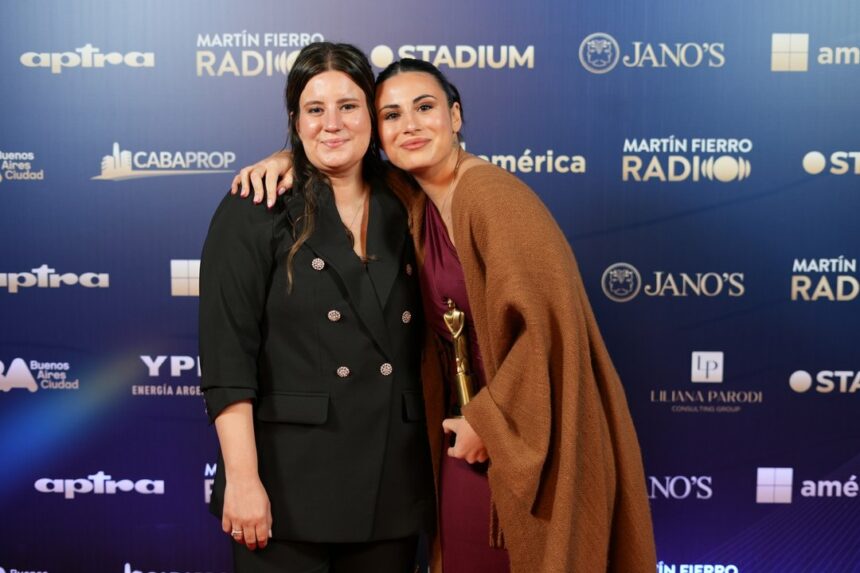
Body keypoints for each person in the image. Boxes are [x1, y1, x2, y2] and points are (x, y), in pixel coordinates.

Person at [231, 57, 657, 573]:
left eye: (425, 107)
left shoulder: (491, 195)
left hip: (515, 439)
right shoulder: (414, 198)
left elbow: (546, 334)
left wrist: (488, 421)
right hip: (465, 440)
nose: (409, 125)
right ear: (376, 133)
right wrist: (290, 157)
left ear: (455, 116)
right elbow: (335, 153)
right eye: (391, 115)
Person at [199, 43, 434, 573]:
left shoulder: (412, 202)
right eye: (315, 109)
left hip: (391, 484)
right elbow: (227, 360)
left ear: (372, 117)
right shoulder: (255, 207)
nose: (332, 123)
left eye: (349, 106)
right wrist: (242, 480)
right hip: (285, 489)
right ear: (294, 119)